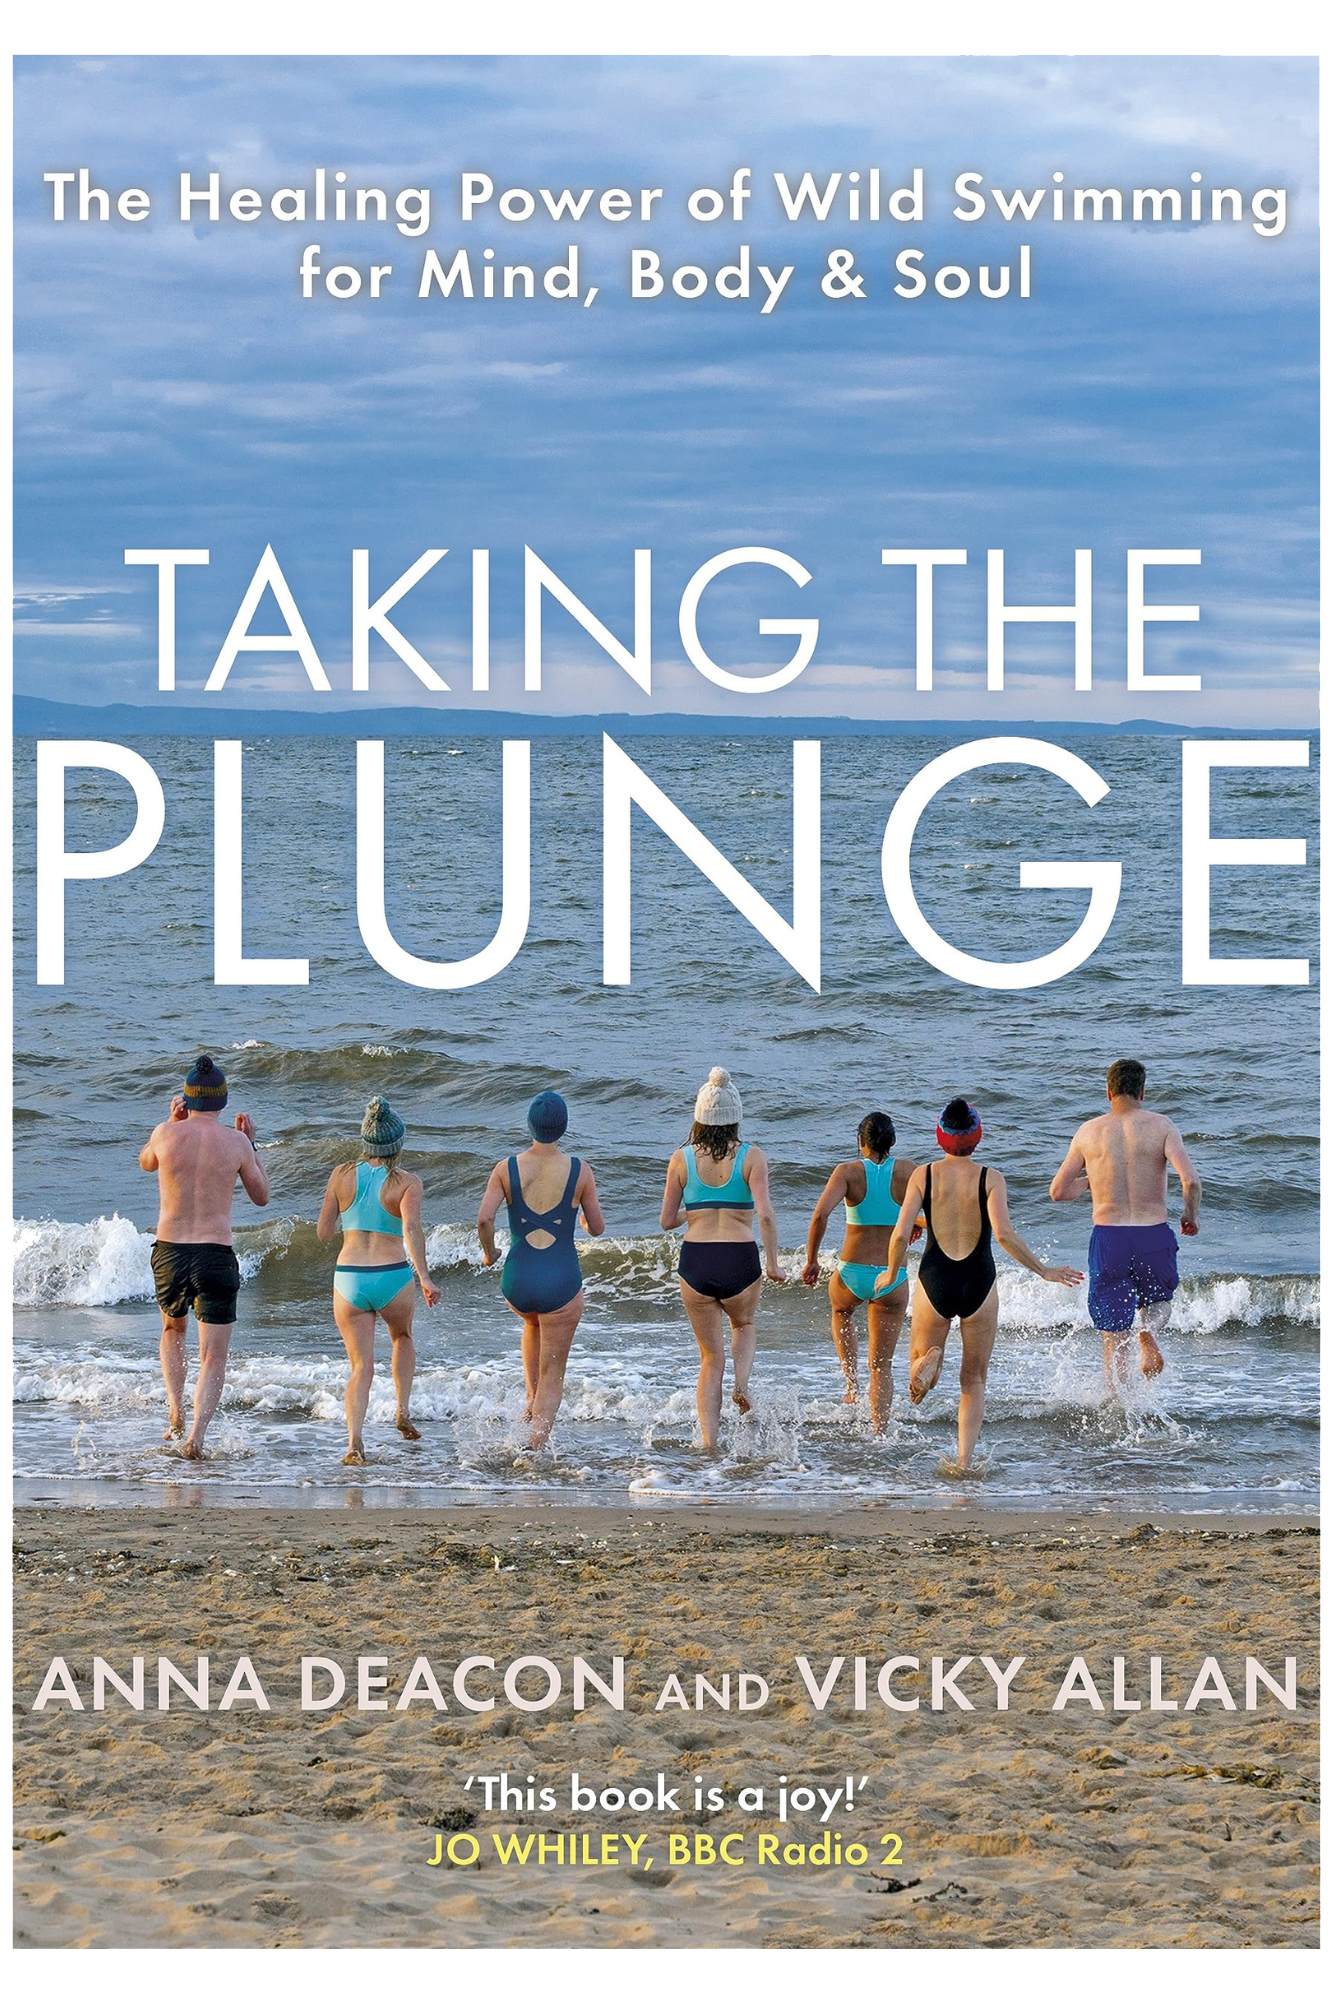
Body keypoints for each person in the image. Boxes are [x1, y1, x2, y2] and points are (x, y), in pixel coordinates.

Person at [876, 1096, 1082, 1472]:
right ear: (976, 1136)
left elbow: (901, 1232)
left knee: (917, 1367)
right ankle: (964, 1461)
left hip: (935, 1279)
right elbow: (1003, 1234)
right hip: (979, 1282)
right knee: (973, 1381)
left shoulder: (923, 1175)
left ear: (941, 1135)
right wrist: (1044, 1270)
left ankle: (927, 1363)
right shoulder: (991, 1178)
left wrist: (891, 1274)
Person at [139, 1054, 270, 1459]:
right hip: (215, 1254)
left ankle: (176, 1411)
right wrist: (252, 1145)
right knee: (213, 1354)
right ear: (223, 1101)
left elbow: (146, 1162)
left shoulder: (164, 1134)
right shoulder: (236, 1143)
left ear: (187, 1099)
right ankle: (196, 1437)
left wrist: (171, 1122)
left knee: (172, 1330)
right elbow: (262, 1196)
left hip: (170, 1251)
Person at [1049, 1057, 1201, 1388]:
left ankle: (1117, 1402)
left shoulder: (1088, 1132)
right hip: (1153, 1234)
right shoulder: (1162, 1126)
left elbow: (1058, 1192)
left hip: (1110, 1239)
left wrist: (1093, 1180)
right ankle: (1148, 1332)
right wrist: (1190, 1215)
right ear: (1142, 1092)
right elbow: (1190, 1180)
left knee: (1113, 1335)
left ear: (1108, 1092)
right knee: (1158, 1304)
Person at [660, 1067, 784, 1450]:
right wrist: (773, 1263)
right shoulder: (752, 1157)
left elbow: (666, 1221)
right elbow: (765, 1214)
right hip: (739, 1258)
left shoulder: (681, 1159)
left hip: (696, 1261)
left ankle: (709, 1443)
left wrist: (696, 1212)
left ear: (699, 1117)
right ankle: (742, 1385)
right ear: (735, 1117)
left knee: (710, 1359)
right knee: (743, 1325)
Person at [477, 1091, 605, 1450]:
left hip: (517, 1281)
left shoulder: (505, 1168)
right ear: (563, 1127)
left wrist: (490, 1254)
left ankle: (530, 1401)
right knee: (554, 1372)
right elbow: (597, 1227)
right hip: (560, 1282)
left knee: (533, 1322)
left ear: (529, 1126)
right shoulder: (580, 1170)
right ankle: (535, 1448)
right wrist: (583, 1222)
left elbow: (484, 1218)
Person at [316, 1097, 440, 1465]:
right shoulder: (408, 1182)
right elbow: (411, 1230)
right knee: (402, 1338)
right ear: (398, 1143)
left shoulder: (340, 1175)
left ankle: (354, 1442)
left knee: (360, 1367)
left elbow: (323, 1232)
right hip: (392, 1276)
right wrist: (425, 1278)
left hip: (350, 1279)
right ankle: (402, 1411)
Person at [801, 1111, 917, 1431]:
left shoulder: (847, 1172)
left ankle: (852, 1386)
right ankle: (879, 1432)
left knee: (842, 1311)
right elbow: (934, 1210)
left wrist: (811, 1260)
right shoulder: (909, 1171)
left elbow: (820, 1216)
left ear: (861, 1141)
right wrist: (917, 1223)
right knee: (881, 1366)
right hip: (892, 1276)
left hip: (852, 1272)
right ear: (893, 1141)